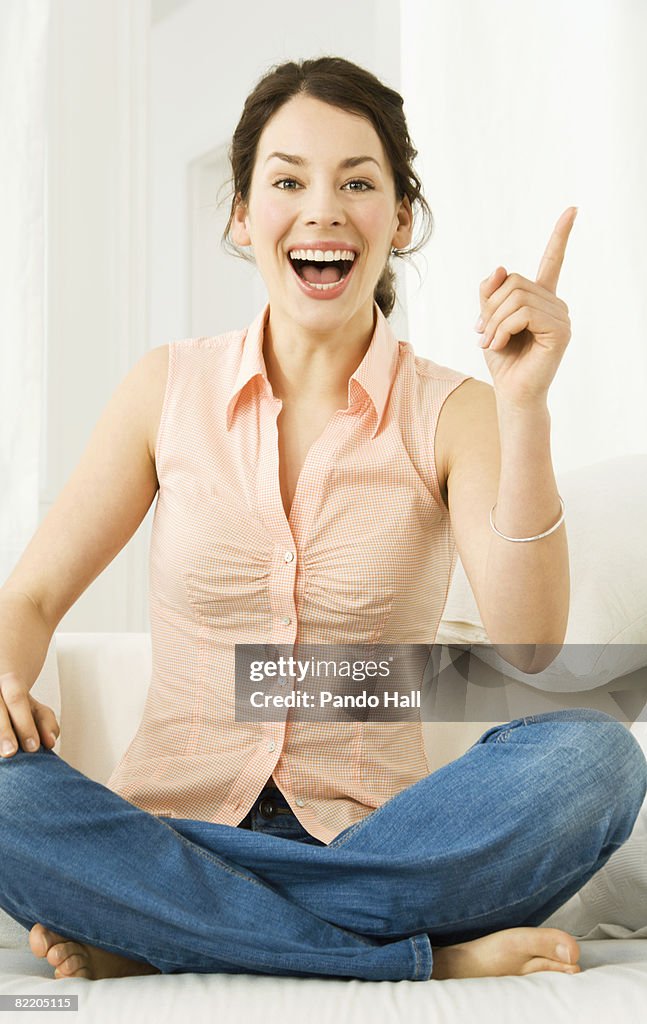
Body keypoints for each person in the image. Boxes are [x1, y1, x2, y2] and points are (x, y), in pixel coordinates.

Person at [0, 55, 645, 985]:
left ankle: (161, 925)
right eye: (288, 181)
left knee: (594, 761)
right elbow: (27, 598)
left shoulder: (453, 411)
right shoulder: (164, 390)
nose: (323, 210)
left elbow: (531, 645)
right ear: (240, 214)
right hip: (168, 826)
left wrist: (525, 407)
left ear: (401, 217)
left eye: (358, 182)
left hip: (378, 837)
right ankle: (411, 958)